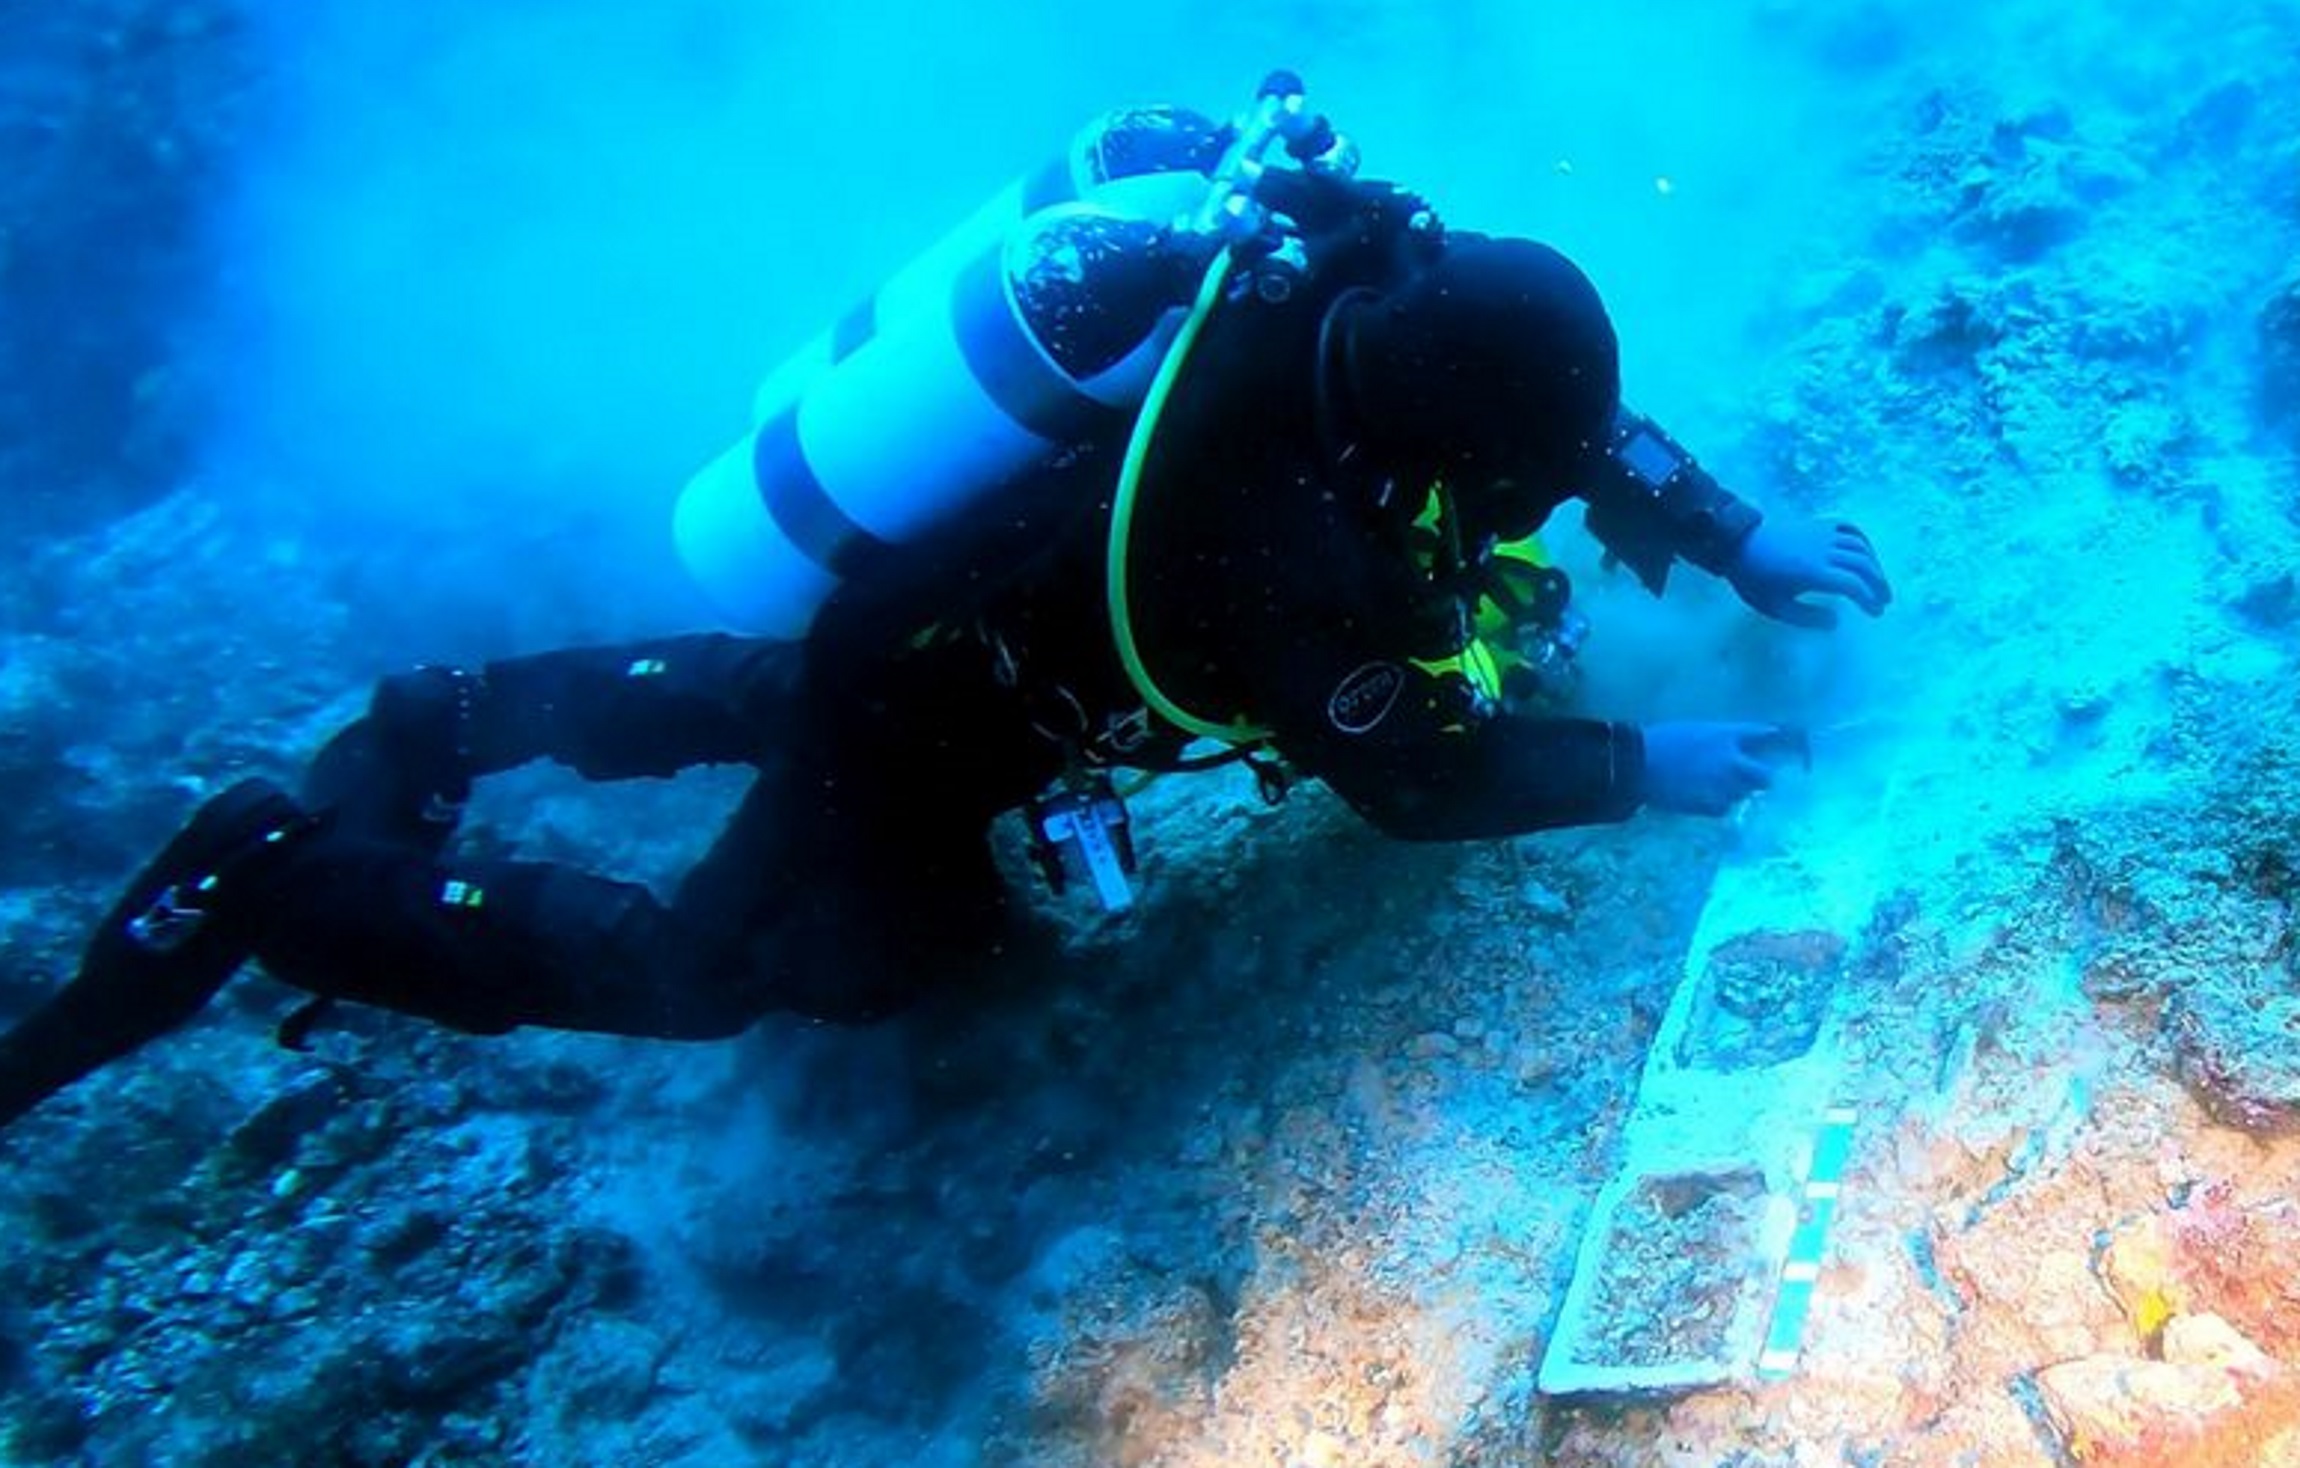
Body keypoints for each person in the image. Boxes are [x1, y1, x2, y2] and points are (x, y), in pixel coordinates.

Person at [0, 103, 1890, 1133]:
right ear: (1419, 427)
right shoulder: (1273, 545)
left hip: (958, 614)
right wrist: (1644, 760)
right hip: (931, 717)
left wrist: (1728, 532)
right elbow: (1409, 782)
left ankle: (456, 713)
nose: (1556, 489)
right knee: (751, 965)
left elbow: (1544, 404)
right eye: (1531, 478)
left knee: (813, 670)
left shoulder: (1367, 272)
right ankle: (277, 872)